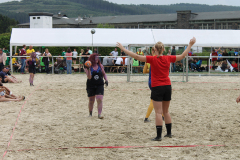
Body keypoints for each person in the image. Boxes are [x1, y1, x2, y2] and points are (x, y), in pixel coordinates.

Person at [117, 37, 196, 141]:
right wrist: (190, 45)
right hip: (167, 86)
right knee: (166, 111)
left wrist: (123, 48)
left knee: (158, 112)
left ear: (154, 50)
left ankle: (159, 136)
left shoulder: (152, 59)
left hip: (157, 87)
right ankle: (169, 133)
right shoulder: (168, 58)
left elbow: (136, 56)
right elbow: (182, 56)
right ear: (163, 49)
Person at [84, 53, 108, 119]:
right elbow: (89, 77)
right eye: (95, 58)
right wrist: (88, 69)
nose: (97, 59)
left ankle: (99, 114)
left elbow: (104, 74)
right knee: (91, 100)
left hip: (99, 84)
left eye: (98, 58)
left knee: (99, 99)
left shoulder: (100, 66)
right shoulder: (88, 67)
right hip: (91, 84)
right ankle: (90, 113)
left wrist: (106, 80)